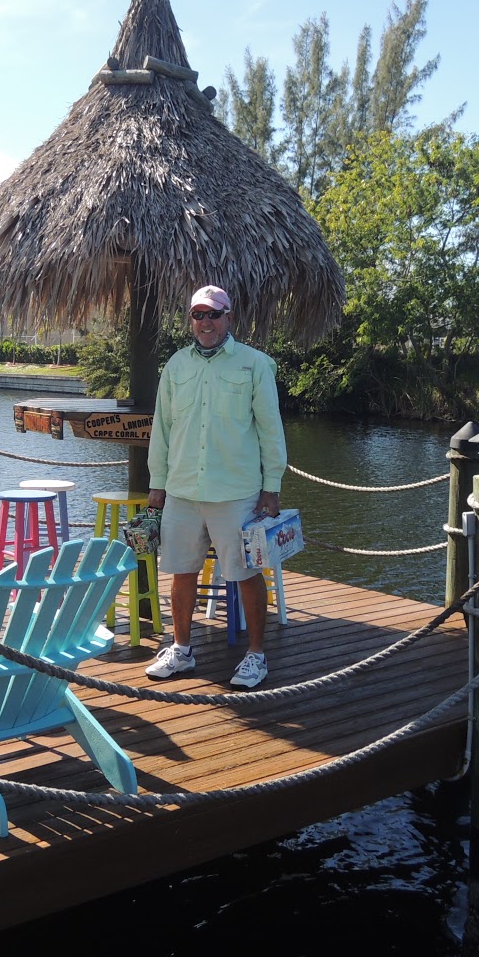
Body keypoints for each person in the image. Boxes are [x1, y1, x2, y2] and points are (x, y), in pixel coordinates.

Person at [144, 285, 286, 689]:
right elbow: (163, 429)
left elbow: (269, 429)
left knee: (244, 573)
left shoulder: (255, 364)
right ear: (190, 319)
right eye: (197, 315)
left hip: (236, 492)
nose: (205, 322)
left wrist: (271, 486)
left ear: (229, 317)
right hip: (183, 491)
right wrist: (157, 484)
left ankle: (256, 655)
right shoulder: (175, 366)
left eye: (213, 314)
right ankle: (182, 649)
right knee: (180, 571)